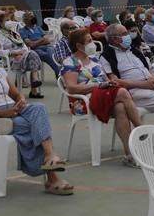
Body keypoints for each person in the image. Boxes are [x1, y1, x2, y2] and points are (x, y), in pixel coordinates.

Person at [0, 36, 72, 195]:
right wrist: (0, 113)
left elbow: (14, 93)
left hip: (12, 111)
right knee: (32, 126)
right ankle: (52, 177)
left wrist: (20, 100)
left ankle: (49, 155)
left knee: (39, 107)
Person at [59, 28, 144, 165]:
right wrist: (96, 86)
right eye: (89, 41)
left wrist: (109, 82)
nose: (93, 43)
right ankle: (141, 129)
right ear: (79, 46)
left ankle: (130, 155)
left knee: (120, 108)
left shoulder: (94, 59)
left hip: (104, 95)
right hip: (84, 101)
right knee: (122, 92)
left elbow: (105, 79)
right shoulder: (70, 63)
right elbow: (72, 88)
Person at [0, 12, 45, 97]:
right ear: (1, 23)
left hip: (23, 58)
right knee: (32, 55)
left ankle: (34, 83)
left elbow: (24, 47)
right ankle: (34, 84)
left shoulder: (15, 34)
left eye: (10, 20)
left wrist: (21, 53)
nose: (10, 22)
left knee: (31, 54)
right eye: (7, 20)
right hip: (9, 60)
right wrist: (15, 53)